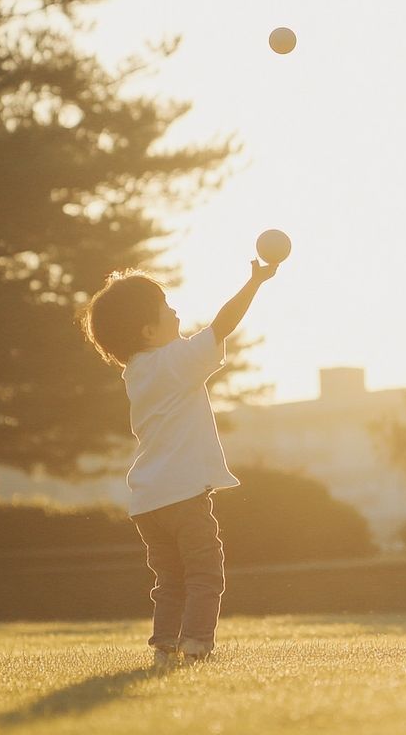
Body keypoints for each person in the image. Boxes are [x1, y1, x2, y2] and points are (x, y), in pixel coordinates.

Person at [81, 259, 278, 666]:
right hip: (185, 496)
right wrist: (254, 282)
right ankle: (197, 644)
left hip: (148, 501)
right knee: (206, 574)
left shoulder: (135, 372)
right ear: (147, 331)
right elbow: (222, 325)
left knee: (170, 581)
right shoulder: (175, 362)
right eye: (166, 307)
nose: (175, 311)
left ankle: (165, 649)